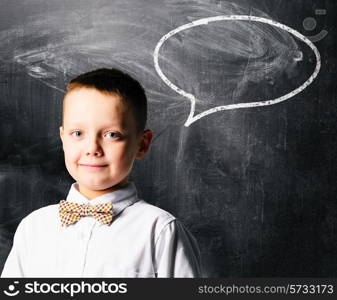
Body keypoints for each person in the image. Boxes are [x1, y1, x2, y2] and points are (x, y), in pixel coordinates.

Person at [1, 68, 201, 277]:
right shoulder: (34, 228)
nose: (92, 148)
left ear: (142, 144)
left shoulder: (160, 231)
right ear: (63, 139)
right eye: (77, 133)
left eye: (112, 134)